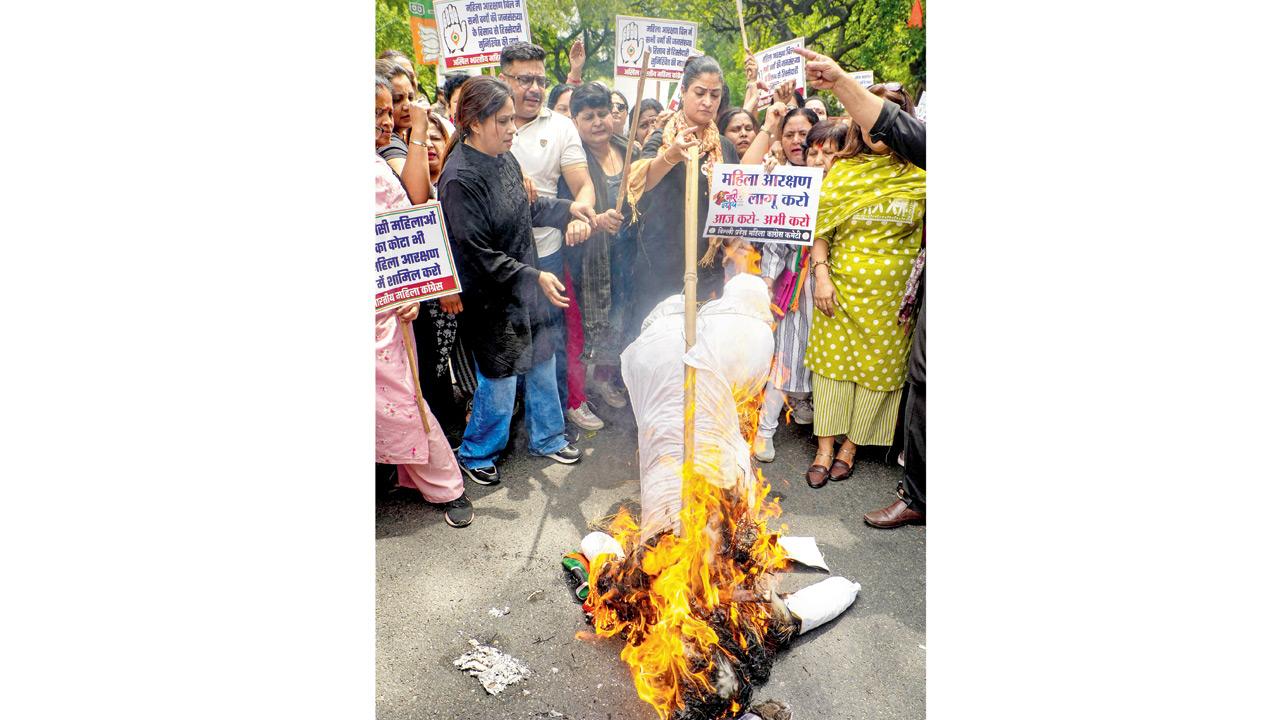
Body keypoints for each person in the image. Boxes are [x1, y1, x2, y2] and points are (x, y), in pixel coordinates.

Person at [437, 77, 594, 485]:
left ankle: (548, 436)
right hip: (492, 298)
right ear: (473, 123)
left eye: (512, 120)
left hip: (529, 283)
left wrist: (571, 209)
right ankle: (476, 452)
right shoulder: (458, 178)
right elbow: (477, 255)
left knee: (543, 358)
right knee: (501, 377)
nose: (512, 129)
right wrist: (534, 275)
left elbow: (529, 208)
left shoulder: (504, 157)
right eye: (503, 121)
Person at [798, 48, 927, 526]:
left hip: (894, 300)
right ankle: (824, 447)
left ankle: (850, 448)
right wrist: (822, 275)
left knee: (877, 374)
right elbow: (820, 230)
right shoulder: (844, 172)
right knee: (832, 368)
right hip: (840, 290)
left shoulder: (922, 176)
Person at [374, 75, 472, 528]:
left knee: (402, 396)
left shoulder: (377, 168)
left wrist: (409, 291)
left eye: (386, 113)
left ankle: (443, 484)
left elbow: (413, 211)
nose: (383, 122)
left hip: (387, 312)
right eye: (374, 113)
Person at [498, 41, 603, 433]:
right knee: (502, 342)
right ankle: (500, 424)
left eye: (540, 80)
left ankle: (551, 426)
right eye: (524, 79)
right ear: (502, 78)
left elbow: (584, 187)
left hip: (547, 254)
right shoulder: (486, 122)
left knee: (548, 340)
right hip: (499, 258)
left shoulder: (560, 127)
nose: (535, 88)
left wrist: (580, 215)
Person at [624, 55, 740, 342]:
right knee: (662, 347)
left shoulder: (724, 146)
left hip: (708, 264)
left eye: (715, 95)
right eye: (700, 93)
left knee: (703, 345)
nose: (707, 102)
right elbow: (640, 183)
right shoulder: (661, 136)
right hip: (660, 263)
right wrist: (671, 155)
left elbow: (734, 200)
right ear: (684, 92)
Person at [747, 107, 821, 463]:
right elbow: (775, 241)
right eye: (788, 134)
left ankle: (805, 403)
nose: (796, 141)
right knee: (785, 357)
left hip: (831, 283)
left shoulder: (837, 177)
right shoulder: (781, 178)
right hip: (792, 285)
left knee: (821, 356)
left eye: (803, 133)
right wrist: (766, 283)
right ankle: (765, 430)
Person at [564, 82, 633, 409]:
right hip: (589, 258)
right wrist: (594, 222)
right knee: (591, 323)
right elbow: (566, 208)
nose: (597, 122)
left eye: (603, 114)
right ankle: (582, 391)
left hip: (629, 250)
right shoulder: (571, 160)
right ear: (575, 121)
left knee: (624, 315)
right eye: (588, 116)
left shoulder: (628, 147)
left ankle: (610, 377)